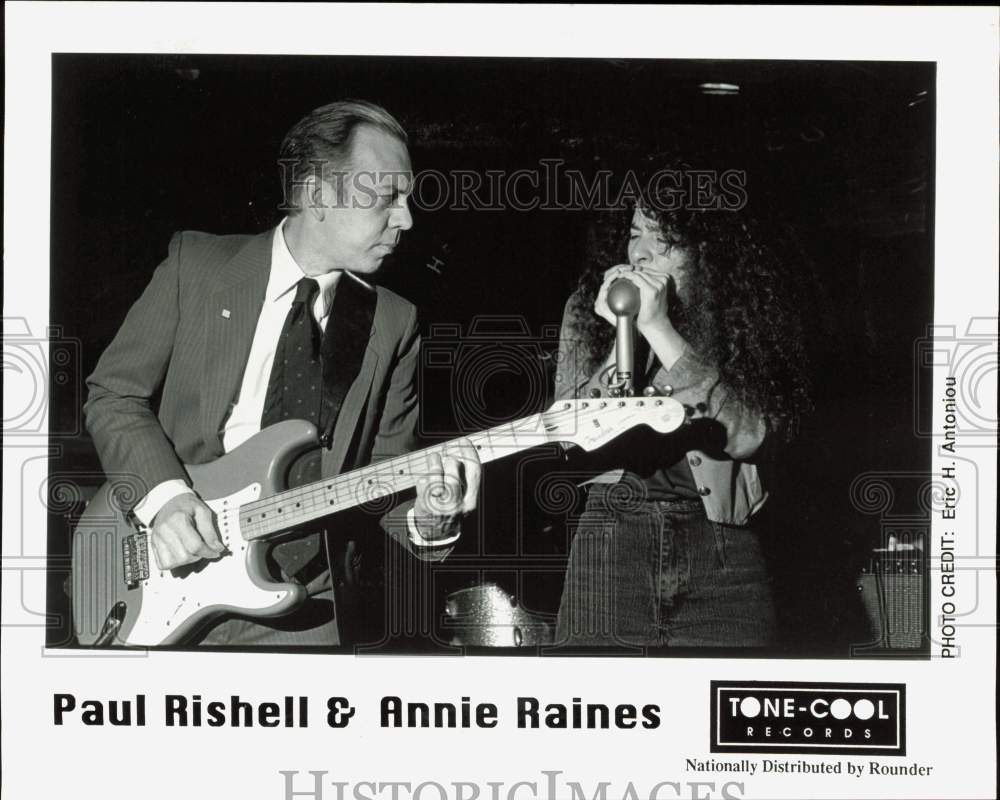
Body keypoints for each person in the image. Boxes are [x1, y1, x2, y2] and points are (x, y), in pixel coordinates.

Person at [83, 100, 481, 647]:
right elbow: (113, 395)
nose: (407, 219)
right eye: (387, 197)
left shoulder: (394, 322)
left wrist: (430, 519)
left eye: (408, 198)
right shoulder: (195, 267)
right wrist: (165, 497)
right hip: (161, 572)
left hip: (307, 607)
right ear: (317, 195)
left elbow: (386, 480)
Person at [552, 168, 811, 648]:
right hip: (613, 533)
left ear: (704, 252)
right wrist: (619, 338)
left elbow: (750, 433)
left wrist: (661, 331)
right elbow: (568, 437)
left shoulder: (741, 317)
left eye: (664, 239)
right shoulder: (587, 309)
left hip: (723, 544)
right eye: (634, 234)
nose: (640, 253)